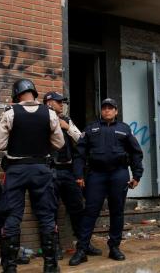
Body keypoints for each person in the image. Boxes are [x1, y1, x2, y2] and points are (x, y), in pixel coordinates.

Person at [0, 79, 65, 273]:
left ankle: (9, 268)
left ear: (16, 95)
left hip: (16, 170)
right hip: (41, 169)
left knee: (12, 216)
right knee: (46, 217)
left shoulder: (10, 113)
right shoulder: (49, 113)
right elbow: (59, 143)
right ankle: (50, 266)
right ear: (34, 93)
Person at [69, 98, 144, 266]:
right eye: (104, 108)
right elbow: (79, 154)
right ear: (101, 111)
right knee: (90, 212)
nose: (107, 111)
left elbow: (135, 153)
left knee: (117, 211)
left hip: (119, 174)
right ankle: (82, 249)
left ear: (116, 111)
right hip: (97, 175)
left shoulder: (124, 129)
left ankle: (114, 248)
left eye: (111, 108)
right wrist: (78, 175)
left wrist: (137, 175)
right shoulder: (91, 129)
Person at [42, 91, 102, 259]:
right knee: (50, 210)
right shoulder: (41, 118)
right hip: (49, 170)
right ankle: (54, 248)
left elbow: (82, 139)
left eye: (62, 102)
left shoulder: (67, 120)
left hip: (68, 171)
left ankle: (84, 244)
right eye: (58, 102)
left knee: (77, 208)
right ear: (48, 102)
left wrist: (67, 127)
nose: (62, 105)